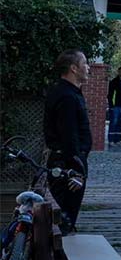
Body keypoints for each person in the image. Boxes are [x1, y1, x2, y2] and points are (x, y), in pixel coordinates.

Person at [44, 49, 92, 232]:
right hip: (67, 166)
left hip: (69, 162)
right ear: (73, 68)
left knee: (68, 216)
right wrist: (78, 170)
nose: (88, 68)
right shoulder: (66, 96)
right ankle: (62, 258)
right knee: (66, 218)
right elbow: (68, 136)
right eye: (85, 63)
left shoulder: (69, 93)